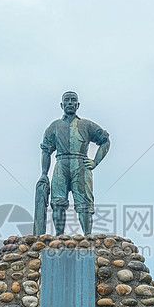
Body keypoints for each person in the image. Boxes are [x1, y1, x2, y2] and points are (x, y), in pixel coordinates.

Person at [39, 91, 111, 235]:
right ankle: (59, 236)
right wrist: (44, 174)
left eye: (73, 100)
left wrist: (95, 162)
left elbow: (105, 140)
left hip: (81, 164)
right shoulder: (54, 126)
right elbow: (46, 151)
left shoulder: (86, 125)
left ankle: (88, 236)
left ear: (78, 105)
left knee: (84, 203)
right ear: (62, 104)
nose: (70, 103)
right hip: (61, 163)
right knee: (58, 202)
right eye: (67, 100)